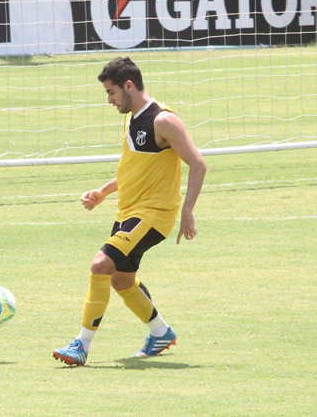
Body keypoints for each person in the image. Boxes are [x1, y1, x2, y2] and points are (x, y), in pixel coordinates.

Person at [53, 57, 207, 366]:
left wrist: (187, 211)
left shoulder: (163, 121)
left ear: (129, 86)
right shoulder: (131, 116)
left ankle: (81, 345)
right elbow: (134, 168)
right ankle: (161, 332)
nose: (109, 100)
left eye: (111, 93)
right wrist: (103, 193)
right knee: (121, 281)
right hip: (129, 213)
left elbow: (198, 164)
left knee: (99, 265)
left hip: (153, 215)